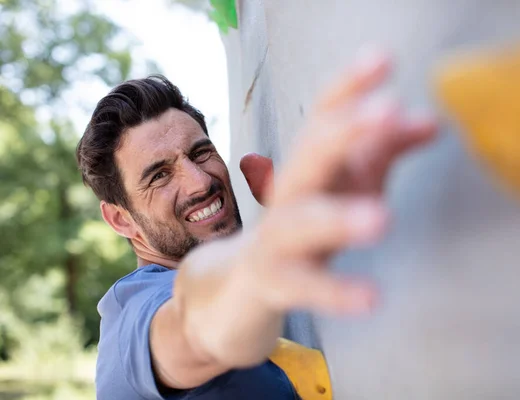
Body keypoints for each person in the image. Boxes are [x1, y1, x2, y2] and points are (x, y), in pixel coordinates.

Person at [76, 50, 436, 399]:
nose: (199, 182)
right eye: (160, 175)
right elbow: (194, 330)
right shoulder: (135, 322)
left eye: (200, 153)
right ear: (121, 220)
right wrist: (259, 266)